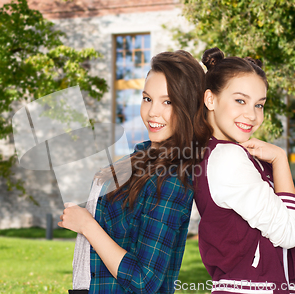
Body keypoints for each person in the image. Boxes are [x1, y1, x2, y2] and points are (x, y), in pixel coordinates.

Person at [59, 50, 212, 294]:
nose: (152, 112)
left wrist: (87, 225)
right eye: (147, 98)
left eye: (168, 102)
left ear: (187, 107)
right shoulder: (140, 157)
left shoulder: (173, 178)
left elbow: (144, 280)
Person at [193, 47, 295, 294]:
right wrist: (280, 159)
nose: (252, 115)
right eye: (240, 100)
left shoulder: (218, 152)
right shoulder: (228, 157)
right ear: (210, 99)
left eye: (259, 105)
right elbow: (288, 234)